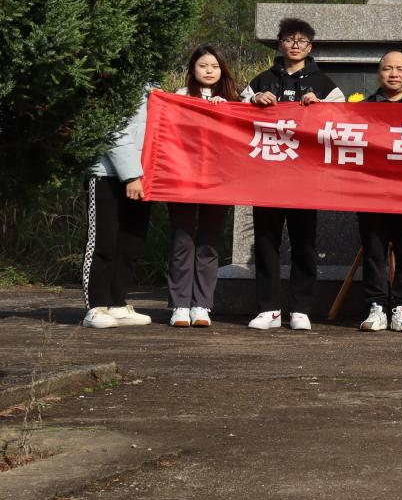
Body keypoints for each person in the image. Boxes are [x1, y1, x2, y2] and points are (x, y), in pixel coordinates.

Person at [243, 17, 345, 331]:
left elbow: (343, 118)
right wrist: (253, 101)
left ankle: (300, 309)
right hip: (267, 176)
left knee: (304, 243)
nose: (295, 45)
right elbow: (236, 113)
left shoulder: (324, 83)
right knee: (266, 243)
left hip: (305, 178)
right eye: (289, 39)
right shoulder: (262, 80)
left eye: (302, 40)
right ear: (280, 44)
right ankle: (268, 309)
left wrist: (320, 106)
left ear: (310, 47)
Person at [167, 47, 241, 328]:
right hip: (183, 178)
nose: (209, 71)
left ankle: (201, 305)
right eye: (203, 65)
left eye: (215, 66)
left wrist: (227, 111)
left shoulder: (233, 100)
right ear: (192, 69)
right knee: (183, 240)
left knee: (209, 242)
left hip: (218, 180)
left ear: (223, 70)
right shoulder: (180, 96)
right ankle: (179, 304)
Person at [358, 51, 402, 334]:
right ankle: (376, 305)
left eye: (400, 69)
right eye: (388, 68)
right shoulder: (361, 109)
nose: (394, 74)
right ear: (379, 73)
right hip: (371, 192)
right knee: (373, 250)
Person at [82, 88, 155, 329]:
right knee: (103, 241)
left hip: (144, 176)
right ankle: (95, 306)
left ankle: (117, 303)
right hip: (106, 174)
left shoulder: (152, 87)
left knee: (130, 242)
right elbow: (112, 127)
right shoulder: (117, 83)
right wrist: (131, 175)